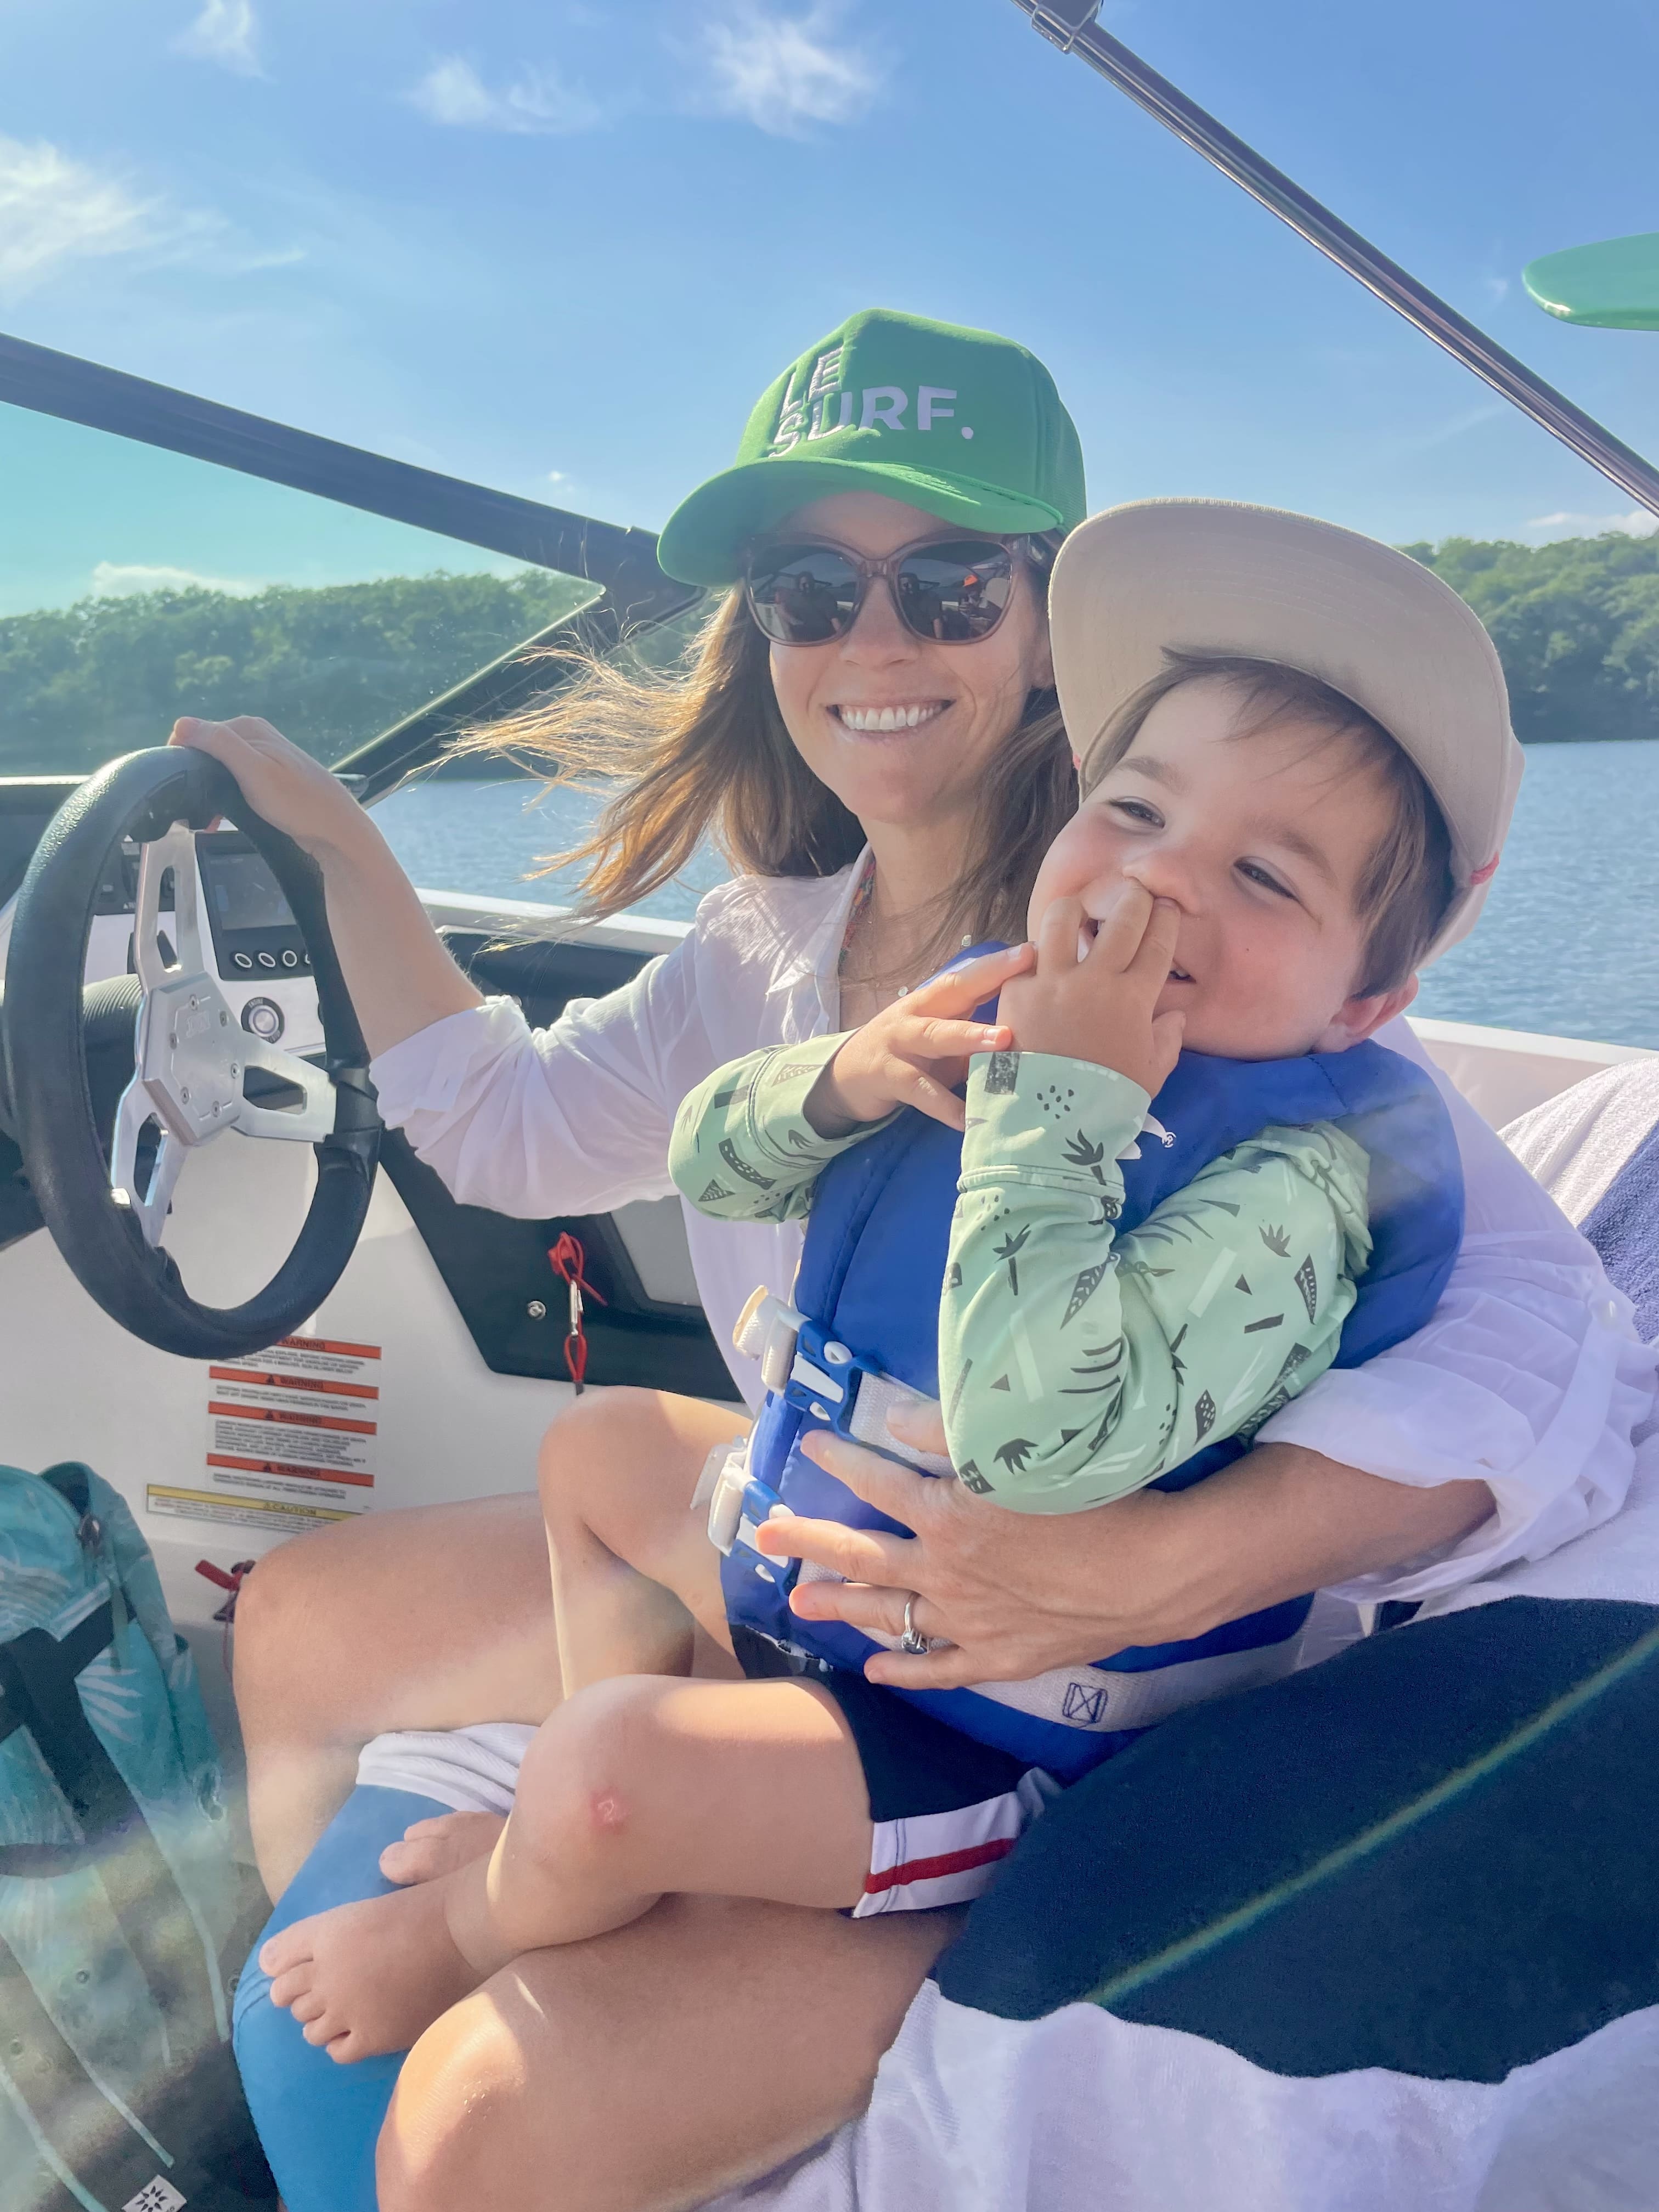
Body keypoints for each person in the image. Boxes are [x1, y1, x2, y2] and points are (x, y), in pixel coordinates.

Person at [200, 311, 1647, 2210]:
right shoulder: (768, 953)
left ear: (1048, 622)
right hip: (829, 1564)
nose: (873, 645)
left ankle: (572, 1891)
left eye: (951, 584)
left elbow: (1547, 1339)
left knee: (485, 2115)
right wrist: (325, 846)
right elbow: (504, 1124)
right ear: (761, 635)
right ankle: (354, 2071)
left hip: (1062, 1698)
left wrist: (1140, 1568)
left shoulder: (1181, 944)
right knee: (303, 1613)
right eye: (811, 590)